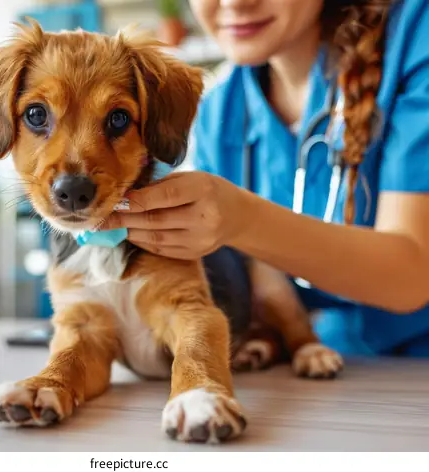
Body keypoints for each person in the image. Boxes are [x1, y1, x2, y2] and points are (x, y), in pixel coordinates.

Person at [102, 0, 429, 357]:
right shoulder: (220, 111)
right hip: (311, 377)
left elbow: (411, 277)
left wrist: (241, 218)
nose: (235, 3)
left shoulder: (415, 35)